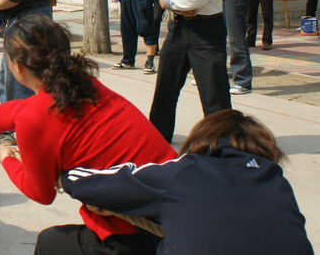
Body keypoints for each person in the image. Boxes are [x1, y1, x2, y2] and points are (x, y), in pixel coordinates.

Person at [0, 15, 176, 255]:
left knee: (50, 243)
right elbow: (24, 109)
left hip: (136, 232)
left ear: (16, 66)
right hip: (176, 204)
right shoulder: (83, 83)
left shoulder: (34, 119)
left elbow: (41, 193)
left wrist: (7, 159)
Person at [59, 109, 313, 255]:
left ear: (202, 141)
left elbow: (98, 183)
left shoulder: (185, 172)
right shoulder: (277, 183)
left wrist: (64, 176)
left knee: (54, 241)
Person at [147, 0, 231, 143]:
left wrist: (172, 1)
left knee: (213, 93)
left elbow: (195, 0)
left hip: (206, 32)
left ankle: (222, 143)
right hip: (178, 29)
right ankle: (158, 138)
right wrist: (176, 3)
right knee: (165, 88)